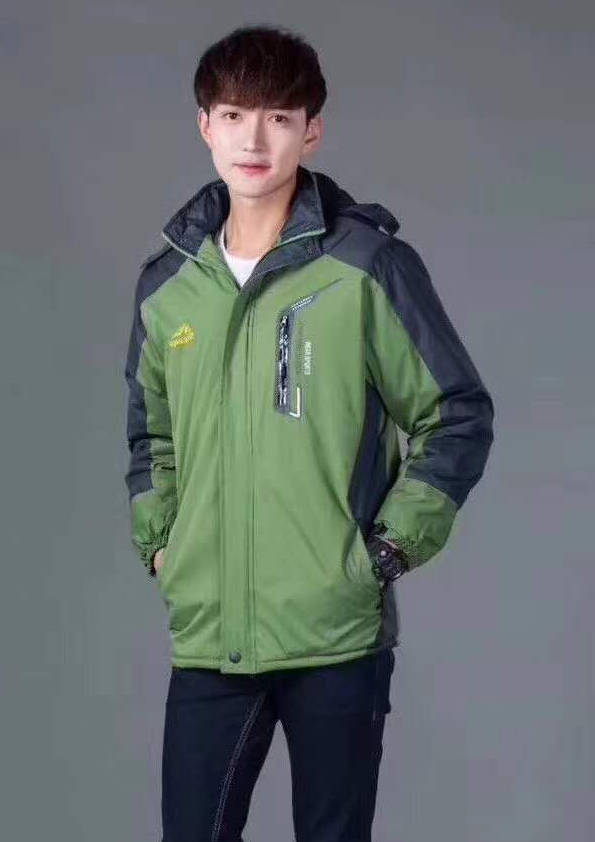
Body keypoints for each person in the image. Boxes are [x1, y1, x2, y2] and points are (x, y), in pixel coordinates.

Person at [123, 23, 495, 842]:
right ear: (204, 125)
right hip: (210, 636)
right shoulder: (168, 287)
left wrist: (385, 552)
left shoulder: (363, 267)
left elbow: (456, 412)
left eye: (278, 118)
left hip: (336, 636)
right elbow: (151, 438)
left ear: (311, 130)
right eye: (233, 115)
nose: (253, 140)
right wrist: (163, 547)